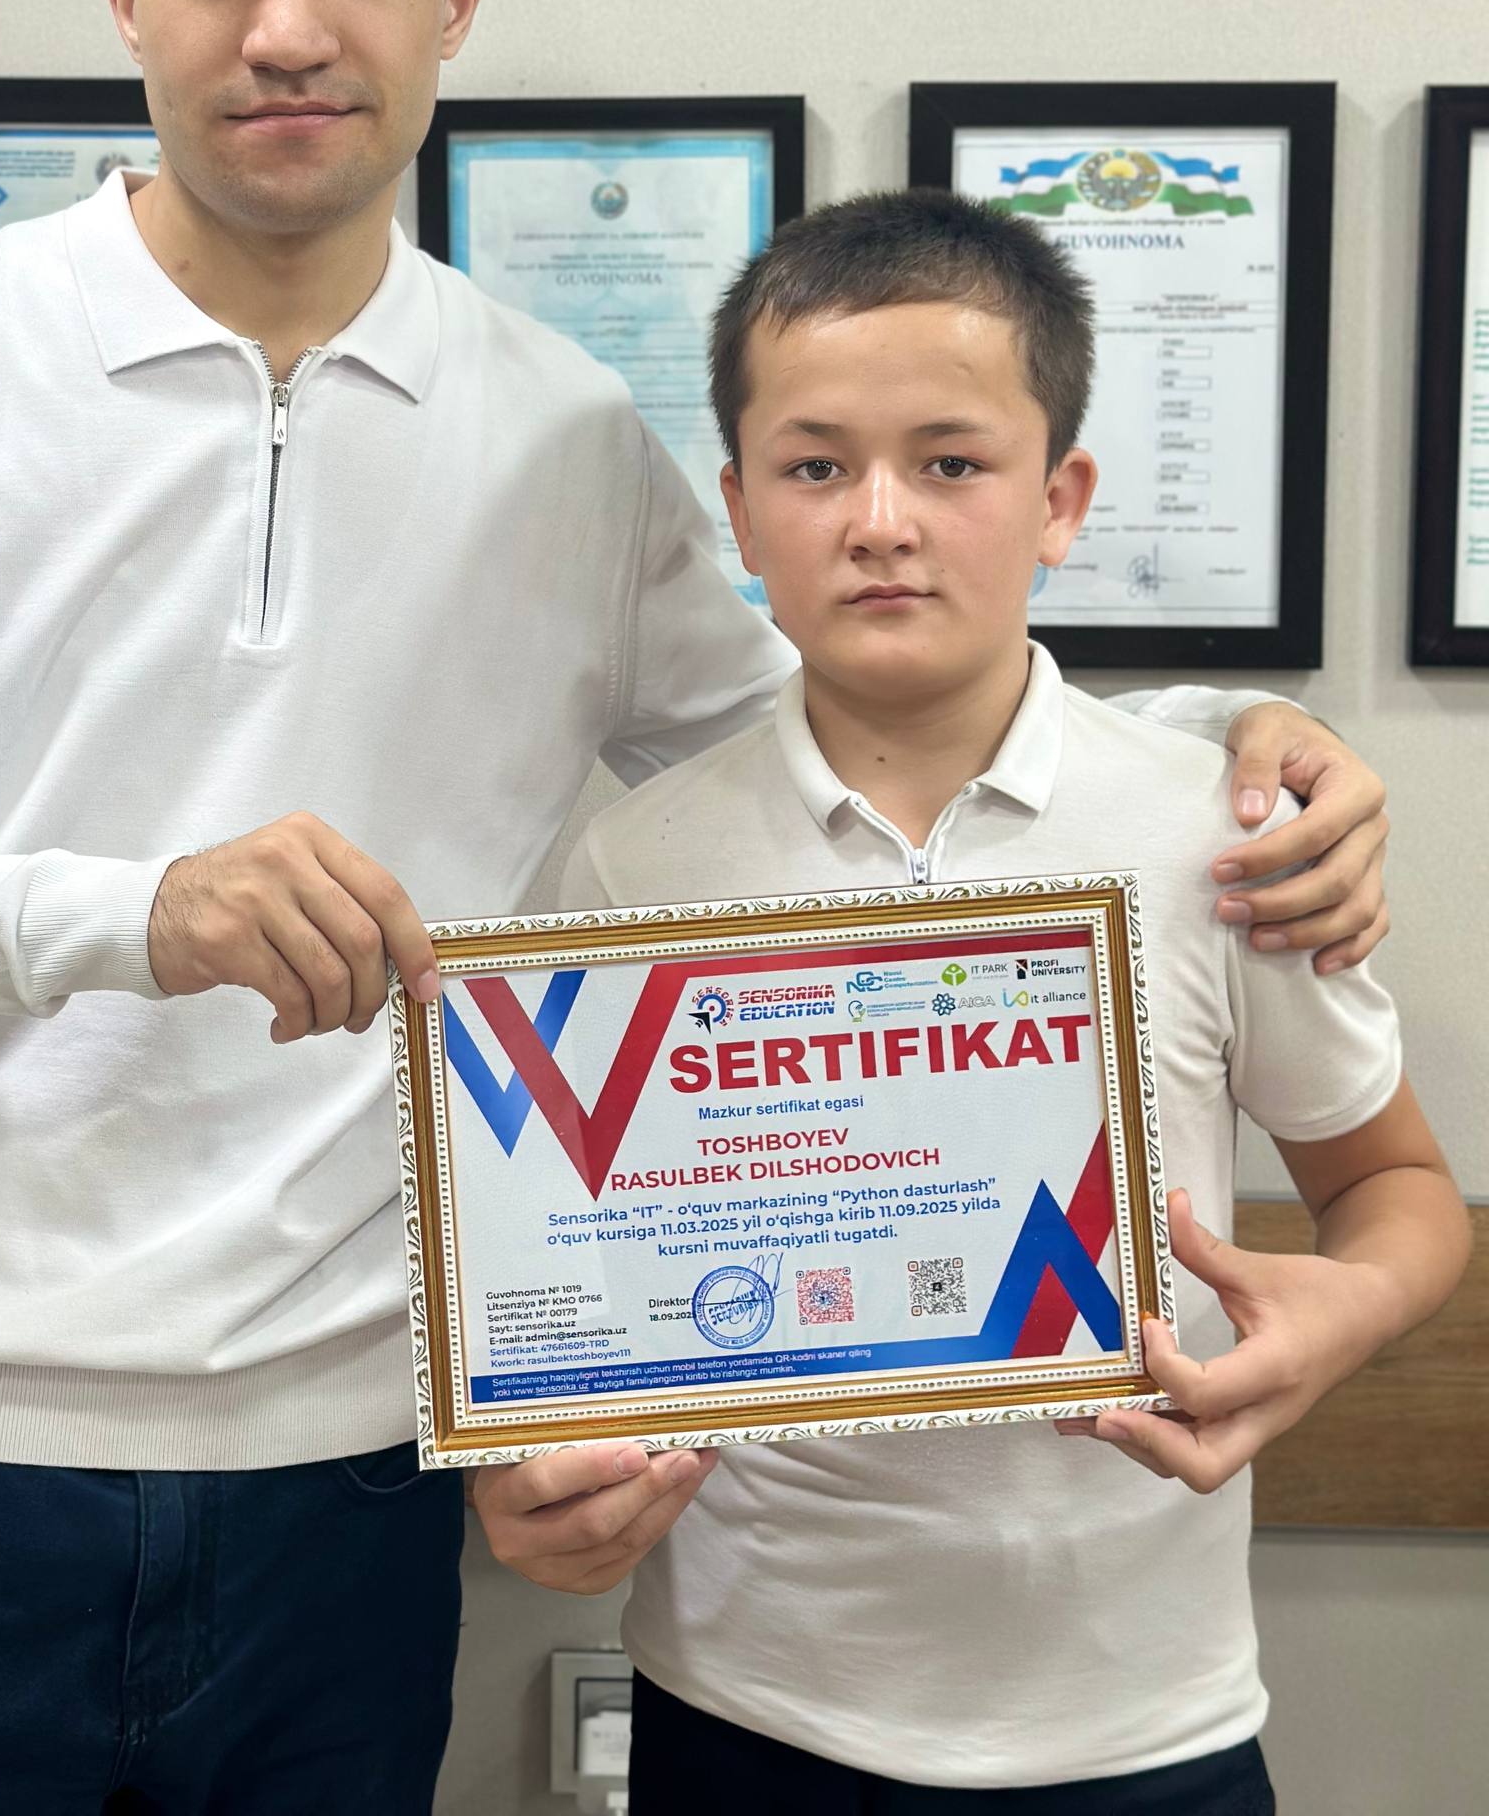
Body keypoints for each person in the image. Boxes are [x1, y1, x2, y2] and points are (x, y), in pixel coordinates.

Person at [0, 0, 1389, 1816]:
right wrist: (131, 914)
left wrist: (1225, 741)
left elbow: (859, 741)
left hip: (352, 1497)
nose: (285, 26)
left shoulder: (565, 437)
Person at [475, 191, 1468, 1816]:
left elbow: (1399, 1189)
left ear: (1060, 499)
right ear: (738, 514)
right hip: (743, 1712)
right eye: (815, 469)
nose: (881, 521)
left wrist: (1345, 1314)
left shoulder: (1220, 836)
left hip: (1143, 1728)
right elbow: (571, 1295)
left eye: (951, 463)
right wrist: (538, 1473)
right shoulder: (631, 864)